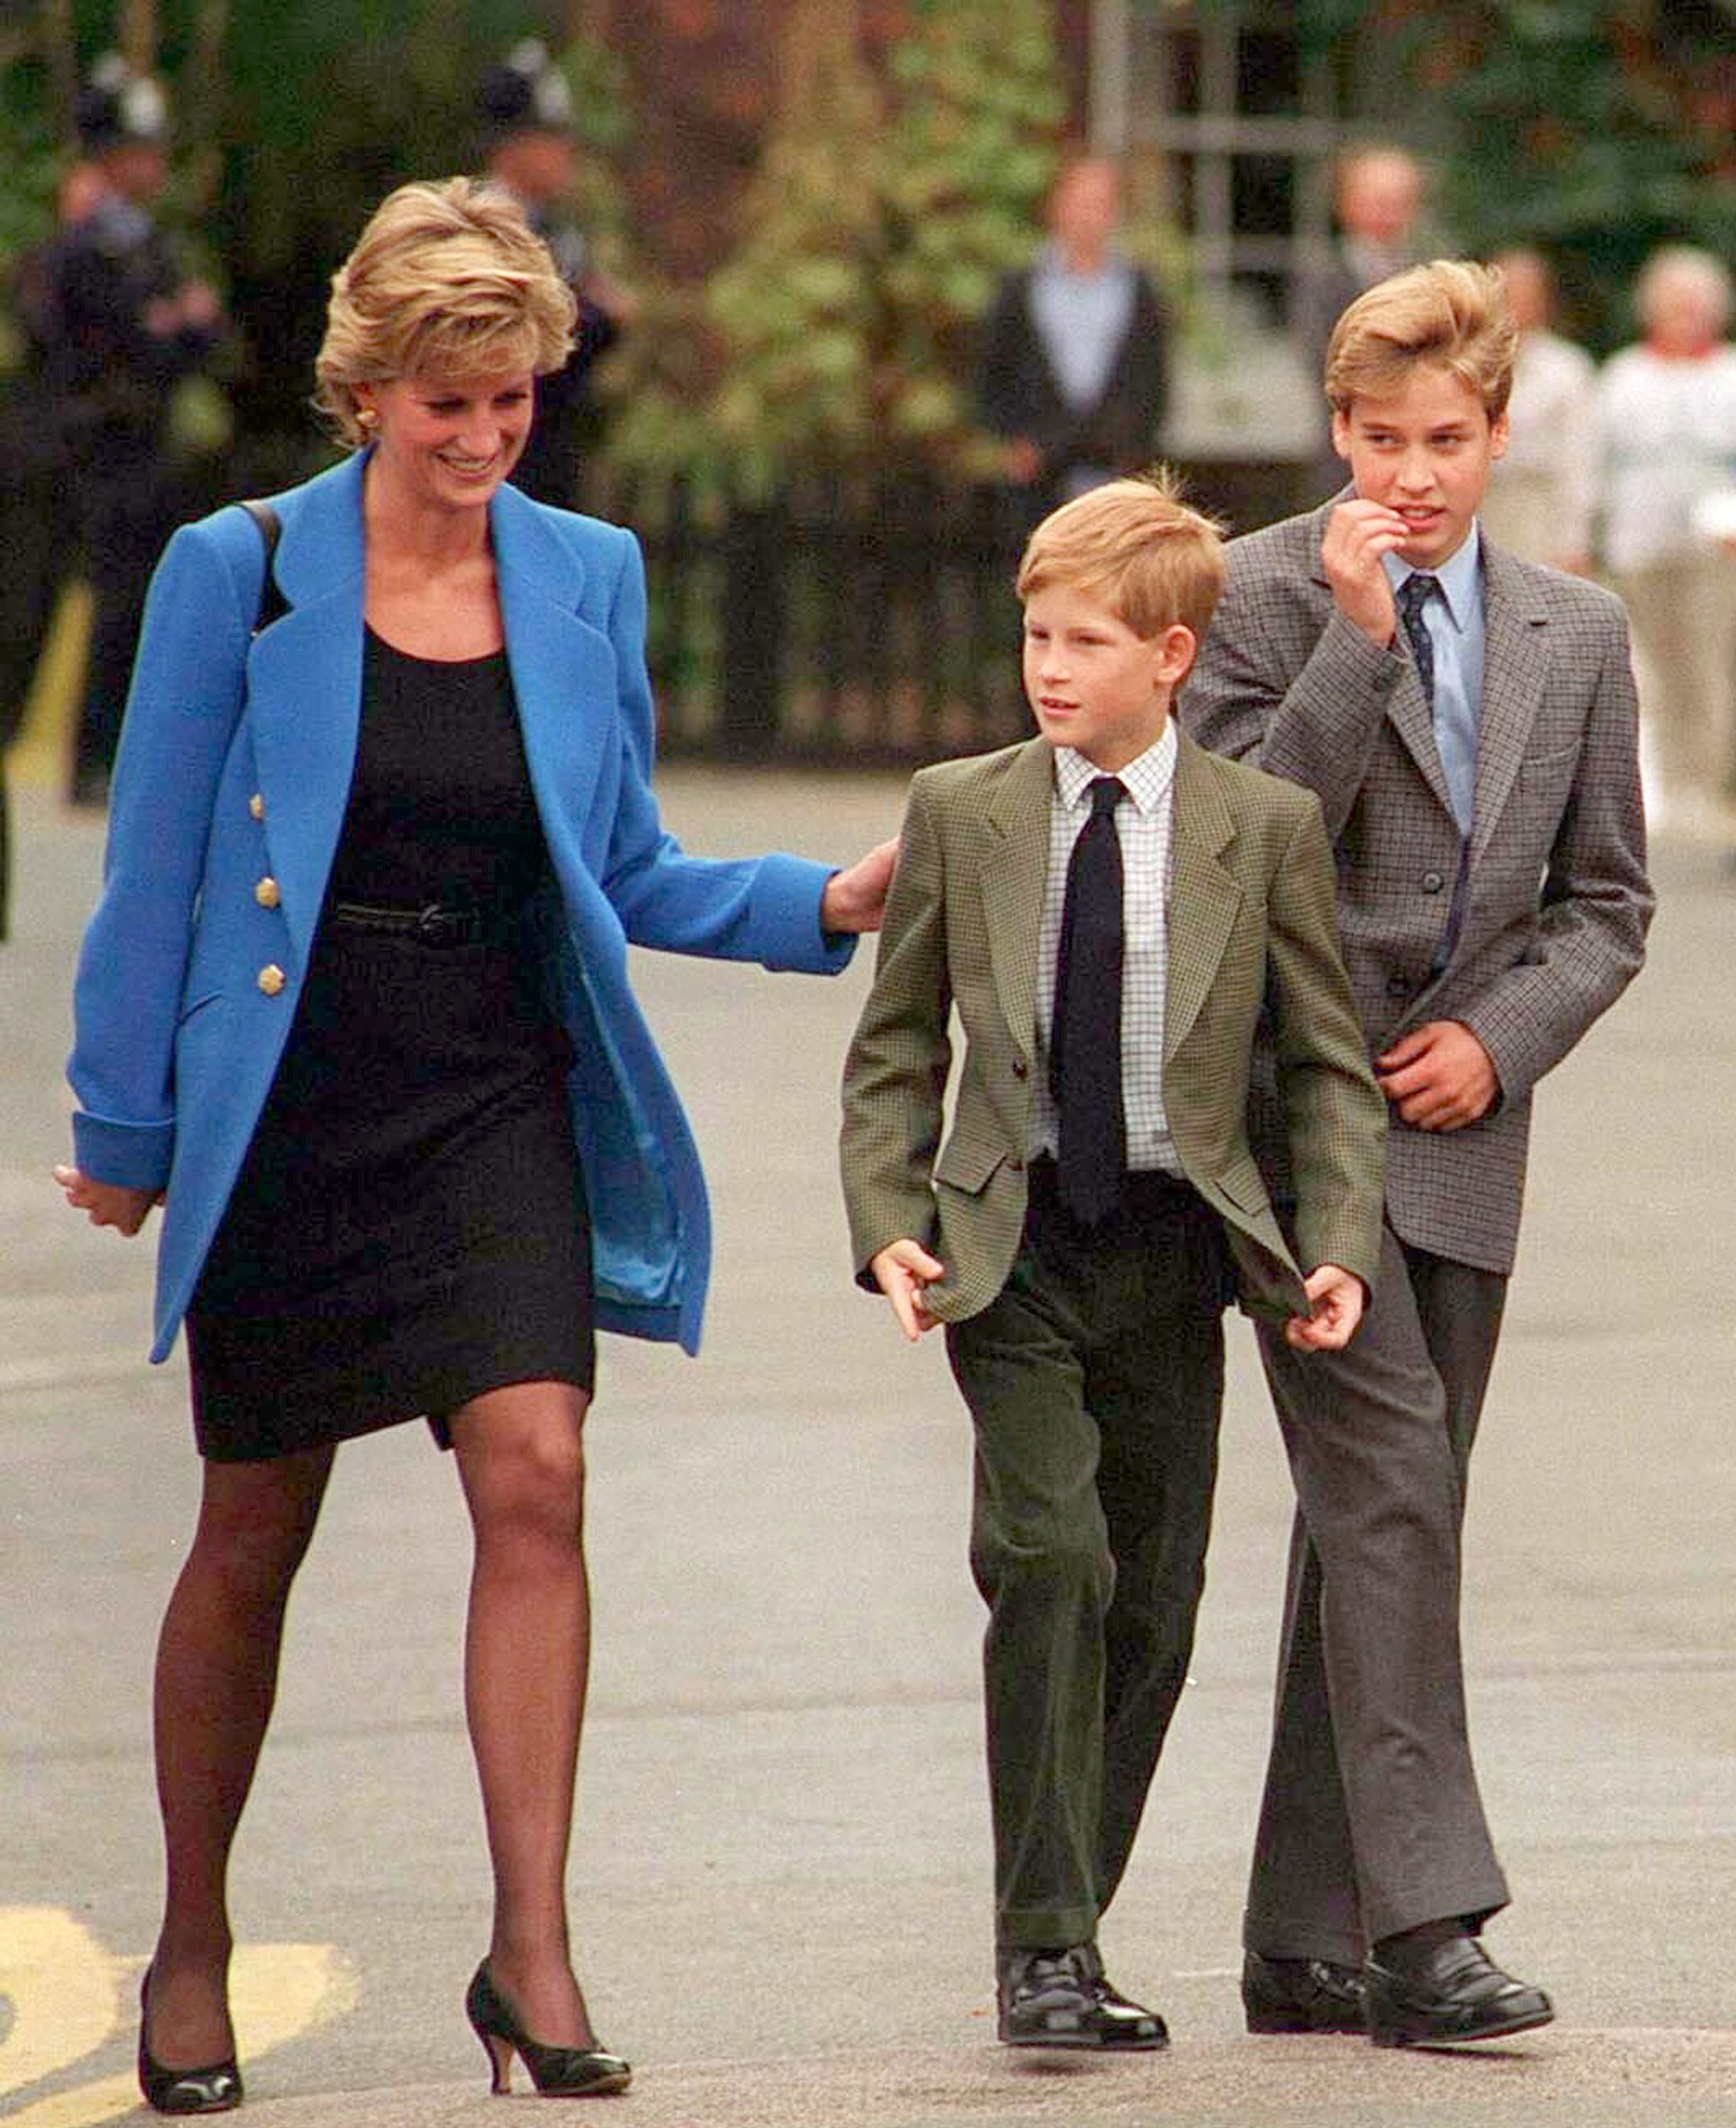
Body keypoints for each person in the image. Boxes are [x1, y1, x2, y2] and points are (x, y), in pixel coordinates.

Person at [55, 176, 895, 2114]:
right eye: (450, 402)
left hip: (490, 1079)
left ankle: (530, 1949)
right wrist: (125, 1123)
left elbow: (621, 869)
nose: (483, 436)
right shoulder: (238, 568)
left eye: (512, 399)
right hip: (295, 1089)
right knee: (253, 1531)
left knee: (536, 1470)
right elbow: (156, 865)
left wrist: (819, 903)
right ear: (371, 388)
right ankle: (191, 1942)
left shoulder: (585, 574)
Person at [839, 473, 1387, 2051]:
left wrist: (1330, 1242)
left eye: (1083, 640)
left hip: (1174, 1254)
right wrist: (886, 1211)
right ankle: (1046, 1953)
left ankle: (1063, 1925)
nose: (1048, 668)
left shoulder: (1260, 831)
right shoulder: (963, 810)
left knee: (1152, 1601)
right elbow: (893, 1049)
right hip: (1005, 1251)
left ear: (1170, 655)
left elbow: (1322, 1070)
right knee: (1048, 1561)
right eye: (1032, 636)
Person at [1183, 260, 1652, 2045]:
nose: (1410, 476)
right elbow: (1232, 847)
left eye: (1443, 441)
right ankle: (1423, 1929)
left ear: (1498, 434)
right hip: (1292, 1124)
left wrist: (1497, 1036)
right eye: (1377, 439)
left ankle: (1297, 1929)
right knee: (1392, 1490)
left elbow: (1606, 904)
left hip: (1462, 1126)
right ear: (1333, 428)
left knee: (1373, 1512)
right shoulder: (1245, 598)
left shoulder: (1574, 631)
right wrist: (1351, 639)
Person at [42, 53, 226, 807]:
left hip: (147, 442)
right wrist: (169, 327)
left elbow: (198, 337)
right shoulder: (88, 244)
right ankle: (87, 755)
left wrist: (176, 328)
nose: (154, 165)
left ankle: (120, 752)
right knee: (107, 602)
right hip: (98, 442)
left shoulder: (143, 239)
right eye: (139, 151)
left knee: (146, 601)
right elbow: (122, 339)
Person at [1597, 244, 1736, 838]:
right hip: (1640, 545)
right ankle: (1668, 785)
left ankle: (1710, 783)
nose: (1685, 315)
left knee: (1713, 666)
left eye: (1696, 304)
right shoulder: (1624, 374)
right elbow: (1597, 463)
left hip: (1716, 550)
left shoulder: (1730, 372)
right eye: (1673, 304)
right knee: (1654, 668)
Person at [477, 38, 635, 508]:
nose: (566, 153)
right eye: (551, 139)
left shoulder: (556, 229)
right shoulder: (486, 225)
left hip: (551, 444)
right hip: (500, 455)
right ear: (513, 146)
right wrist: (602, 317)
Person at [978, 157, 1168, 528]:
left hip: (1112, 466)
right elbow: (993, 368)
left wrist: (1135, 448)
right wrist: (1015, 441)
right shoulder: (1021, 287)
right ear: (1056, 207)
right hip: (1038, 468)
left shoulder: (1138, 288)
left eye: (1100, 205)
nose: (1089, 217)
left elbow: (1153, 376)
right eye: (1080, 203)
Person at [1292, 145, 1426, 497]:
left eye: (1399, 203)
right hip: (1346, 459)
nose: (1390, 214)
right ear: (1347, 205)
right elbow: (1320, 360)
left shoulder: (1431, 276)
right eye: (1379, 201)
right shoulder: (1322, 277)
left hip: (1422, 456)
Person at [1479, 248, 1598, 575]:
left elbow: (1578, 461)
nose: (1515, 302)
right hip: (1482, 505)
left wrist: (1574, 541)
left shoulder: (1568, 369)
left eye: (1525, 293)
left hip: (1540, 509)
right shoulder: (1467, 364)